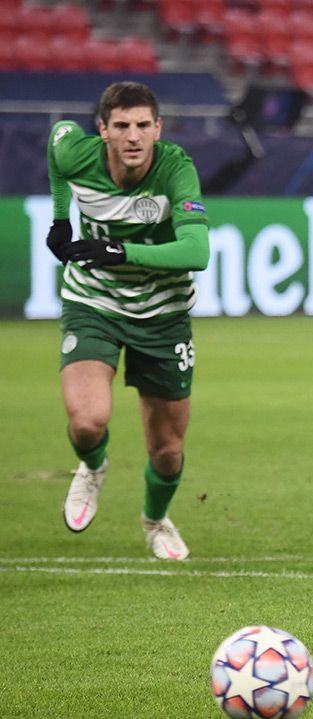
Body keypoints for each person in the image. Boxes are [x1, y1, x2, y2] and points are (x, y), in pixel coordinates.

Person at [48, 81, 210, 560]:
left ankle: (155, 519)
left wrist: (120, 251)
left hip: (163, 315)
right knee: (86, 423)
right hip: (94, 304)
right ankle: (92, 467)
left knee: (167, 451)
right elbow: (57, 140)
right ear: (103, 130)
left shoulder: (176, 168)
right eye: (121, 126)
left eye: (143, 125)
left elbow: (198, 251)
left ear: (158, 128)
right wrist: (61, 219)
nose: (133, 136)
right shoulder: (79, 155)